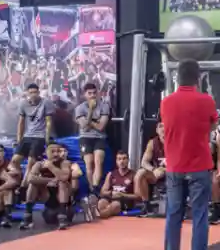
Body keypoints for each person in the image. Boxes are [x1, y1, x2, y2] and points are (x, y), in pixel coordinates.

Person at [160, 59, 220, 250]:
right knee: (199, 216)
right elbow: (213, 125)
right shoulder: (206, 101)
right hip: (199, 166)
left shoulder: (166, 102)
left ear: (177, 77)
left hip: (175, 166)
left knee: (173, 215)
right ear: (198, 78)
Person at [74, 82, 111, 218]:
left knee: (98, 161)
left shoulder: (104, 106)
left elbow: (101, 127)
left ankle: (95, 189)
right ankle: (91, 190)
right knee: (89, 163)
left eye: (94, 93)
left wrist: (89, 122)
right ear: (85, 95)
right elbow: (84, 127)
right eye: (89, 93)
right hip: (85, 138)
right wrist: (90, 110)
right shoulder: (79, 108)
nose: (92, 95)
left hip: (99, 138)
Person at [23, 143, 72, 230]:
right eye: (52, 151)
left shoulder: (65, 163)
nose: (56, 154)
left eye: (58, 151)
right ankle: (28, 217)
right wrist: (50, 180)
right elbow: (30, 178)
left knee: (62, 183)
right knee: (32, 184)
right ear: (46, 153)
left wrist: (50, 166)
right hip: (47, 200)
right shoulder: (39, 164)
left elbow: (64, 177)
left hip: (64, 203)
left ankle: (62, 217)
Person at [12, 83, 54, 184]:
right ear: (27, 93)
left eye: (35, 92)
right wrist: (19, 140)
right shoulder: (23, 104)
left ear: (39, 92)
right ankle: (19, 180)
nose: (33, 94)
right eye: (31, 92)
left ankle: (23, 186)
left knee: (31, 162)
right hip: (27, 136)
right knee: (14, 161)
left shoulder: (46, 102)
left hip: (40, 136)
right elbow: (21, 123)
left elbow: (49, 121)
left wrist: (47, 138)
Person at [136, 122, 167, 217]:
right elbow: (144, 162)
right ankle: (146, 205)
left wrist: (165, 170)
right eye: (160, 126)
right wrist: (154, 169)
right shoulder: (152, 143)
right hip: (158, 173)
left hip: (174, 172)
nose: (163, 129)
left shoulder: (176, 140)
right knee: (141, 173)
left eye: (165, 126)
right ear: (157, 130)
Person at [98, 151, 139, 218]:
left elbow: (138, 196)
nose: (121, 161)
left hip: (125, 202)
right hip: (111, 198)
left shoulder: (134, 175)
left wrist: (122, 195)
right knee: (101, 202)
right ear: (116, 161)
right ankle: (100, 213)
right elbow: (102, 192)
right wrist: (111, 193)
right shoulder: (111, 174)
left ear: (128, 160)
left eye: (124, 158)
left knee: (115, 205)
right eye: (119, 159)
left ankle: (98, 215)